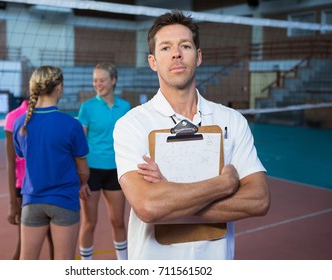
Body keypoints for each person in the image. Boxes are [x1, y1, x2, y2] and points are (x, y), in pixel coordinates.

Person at [113, 10, 270, 260]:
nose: (176, 53)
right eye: (165, 48)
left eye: (184, 45)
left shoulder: (232, 121)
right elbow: (148, 206)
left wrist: (170, 194)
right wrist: (224, 184)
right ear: (153, 61)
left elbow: (259, 200)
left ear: (197, 57)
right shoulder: (132, 124)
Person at [13, 66, 90, 260]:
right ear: (59, 87)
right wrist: (82, 183)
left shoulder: (20, 123)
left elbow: (22, 155)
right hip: (64, 201)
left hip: (32, 201)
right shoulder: (71, 125)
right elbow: (83, 171)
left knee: (27, 261)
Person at [78, 63, 130, 260]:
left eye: (102, 80)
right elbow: (80, 144)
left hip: (116, 171)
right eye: (95, 80)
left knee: (118, 221)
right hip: (91, 171)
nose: (97, 84)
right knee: (89, 222)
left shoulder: (125, 107)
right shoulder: (87, 108)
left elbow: (128, 140)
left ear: (113, 81)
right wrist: (81, 178)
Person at [4, 99, 54, 260]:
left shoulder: (52, 115)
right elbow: (11, 161)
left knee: (57, 246)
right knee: (24, 249)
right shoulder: (14, 117)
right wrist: (13, 203)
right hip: (26, 191)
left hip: (51, 188)